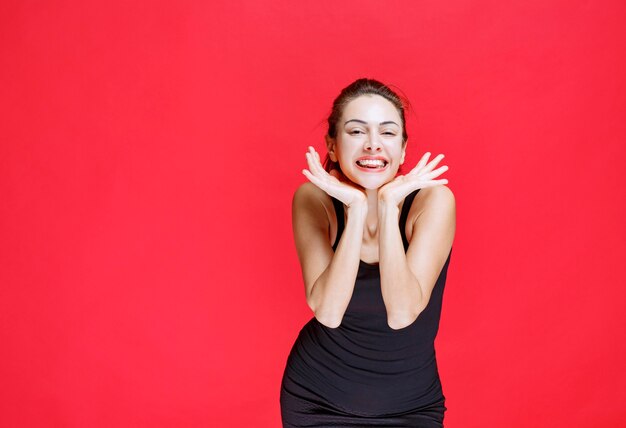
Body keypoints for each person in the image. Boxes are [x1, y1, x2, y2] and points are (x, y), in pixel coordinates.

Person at [280, 78, 456, 427]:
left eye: (388, 133)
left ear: (403, 150)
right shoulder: (313, 199)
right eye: (357, 131)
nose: (373, 145)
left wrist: (389, 206)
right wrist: (357, 209)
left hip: (411, 405)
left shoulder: (433, 201)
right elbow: (328, 312)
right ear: (332, 146)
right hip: (317, 399)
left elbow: (403, 313)